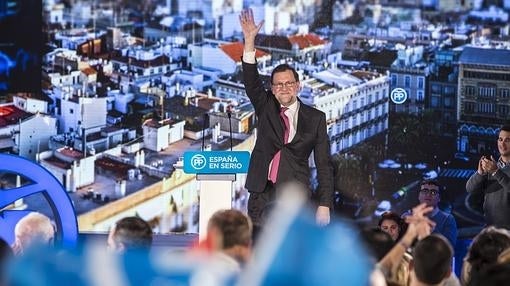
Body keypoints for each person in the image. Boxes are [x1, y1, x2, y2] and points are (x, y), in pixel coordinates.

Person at [239, 8, 334, 235]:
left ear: (298, 85)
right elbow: (251, 79)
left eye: (289, 83)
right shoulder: (266, 105)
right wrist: (249, 40)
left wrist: (325, 204)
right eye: (278, 84)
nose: (284, 88)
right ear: (272, 88)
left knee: (289, 247)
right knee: (257, 245)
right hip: (261, 190)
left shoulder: (316, 119)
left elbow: (324, 165)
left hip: (295, 194)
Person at [466, 124, 510, 229]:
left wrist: (496, 172)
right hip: (490, 229)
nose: (502, 144)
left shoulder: (494, 168)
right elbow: (469, 189)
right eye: (500, 139)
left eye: (507, 140)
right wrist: (480, 173)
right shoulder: (492, 165)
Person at [403, 180, 457, 248]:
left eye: (433, 192)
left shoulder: (448, 219)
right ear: (419, 196)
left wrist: (430, 228)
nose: (428, 194)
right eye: (425, 191)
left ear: (439, 198)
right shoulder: (407, 217)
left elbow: (450, 246)